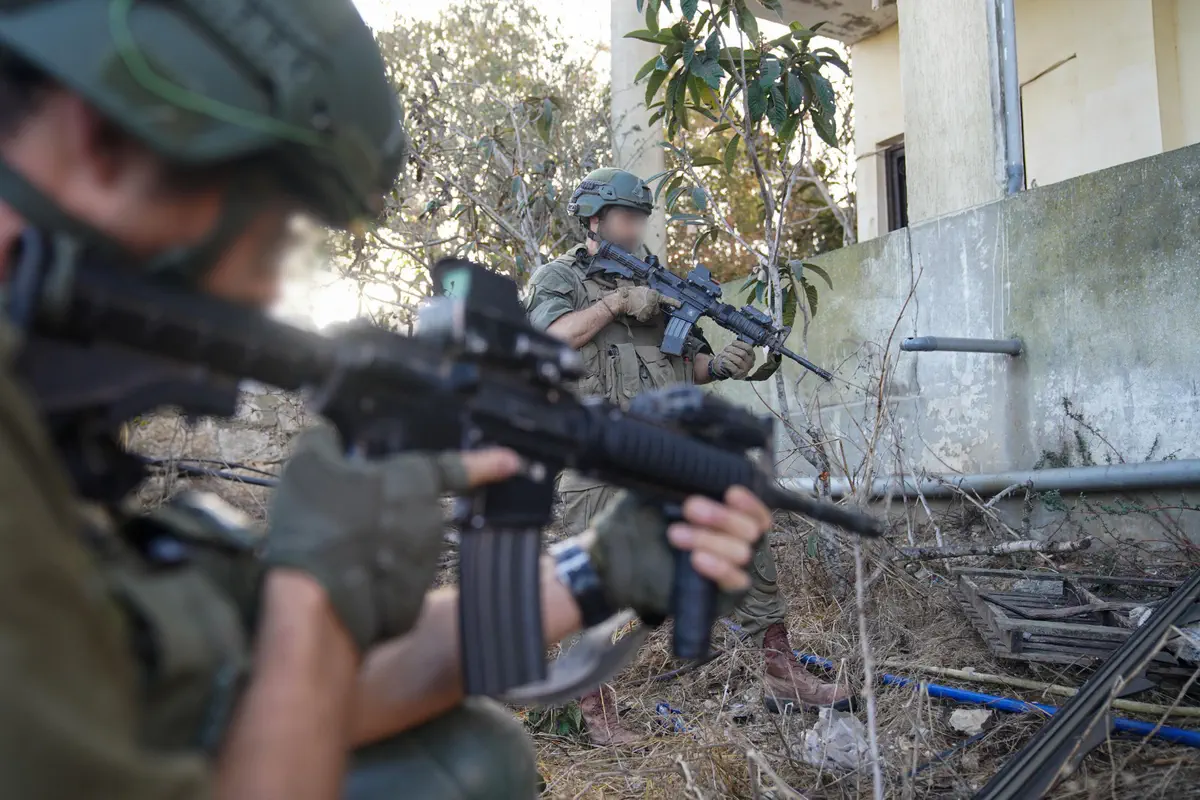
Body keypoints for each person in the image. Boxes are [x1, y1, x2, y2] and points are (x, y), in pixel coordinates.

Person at [0, 3, 774, 799]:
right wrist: (314, 598)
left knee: (470, 748)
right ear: (103, 145)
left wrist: (596, 571)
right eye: (272, 234)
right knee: (440, 774)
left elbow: (255, 701)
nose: (266, 289)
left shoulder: (49, 449)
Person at [524, 168, 853, 745]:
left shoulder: (661, 285)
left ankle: (781, 671)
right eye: (625, 217)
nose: (635, 228)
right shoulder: (563, 278)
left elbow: (688, 364)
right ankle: (590, 712)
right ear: (594, 220)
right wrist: (616, 303)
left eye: (639, 218)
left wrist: (722, 364)